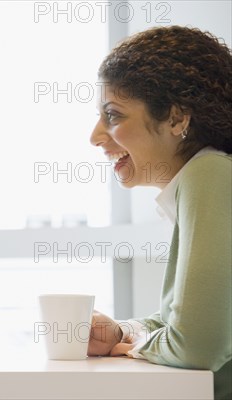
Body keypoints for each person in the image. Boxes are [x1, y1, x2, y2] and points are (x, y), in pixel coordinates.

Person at [87, 26, 231, 400]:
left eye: (113, 116)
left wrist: (129, 345)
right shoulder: (205, 178)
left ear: (176, 119)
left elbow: (196, 346)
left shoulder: (210, 173)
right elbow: (179, 325)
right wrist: (123, 331)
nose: (96, 136)